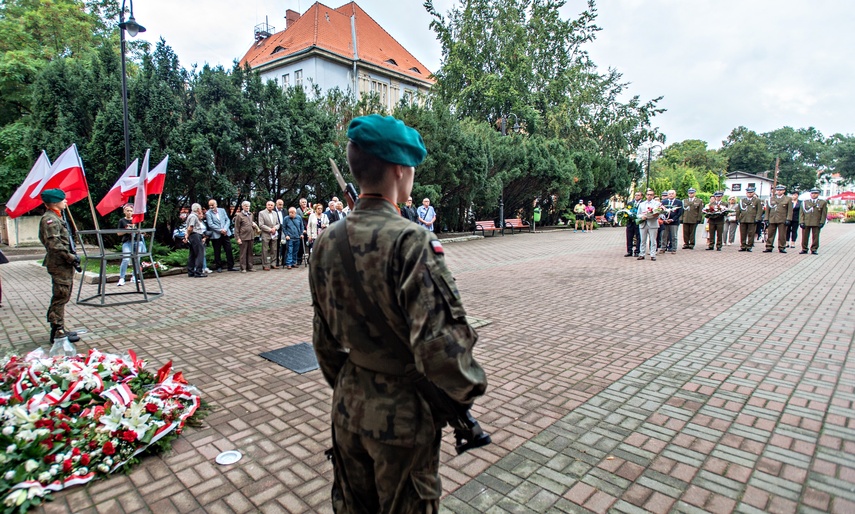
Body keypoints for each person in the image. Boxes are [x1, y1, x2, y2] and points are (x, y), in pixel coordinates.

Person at [309, 114, 487, 513]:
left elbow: (323, 340)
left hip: (348, 405)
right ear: (399, 171)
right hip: (402, 416)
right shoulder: (412, 240)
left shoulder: (326, 241)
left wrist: (356, 379)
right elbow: (441, 346)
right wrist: (467, 391)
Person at [38, 189, 81, 343]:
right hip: (59, 263)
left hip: (62, 263)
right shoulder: (50, 220)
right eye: (63, 200)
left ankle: (60, 327)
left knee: (64, 294)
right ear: (55, 202)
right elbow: (54, 244)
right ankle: (57, 330)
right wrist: (71, 257)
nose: (66, 202)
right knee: (61, 295)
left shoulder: (55, 217)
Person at [117, 204, 145, 286]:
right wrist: (126, 231)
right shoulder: (122, 221)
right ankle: (122, 278)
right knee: (126, 259)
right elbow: (118, 233)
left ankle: (134, 276)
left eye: (131, 211)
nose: (129, 212)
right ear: (124, 211)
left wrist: (137, 231)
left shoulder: (137, 220)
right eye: (127, 210)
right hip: (127, 242)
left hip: (137, 241)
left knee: (137, 259)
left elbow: (141, 231)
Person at [206, 199, 236, 272]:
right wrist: (220, 230)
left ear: (216, 204)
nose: (211, 207)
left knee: (228, 250)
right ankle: (219, 267)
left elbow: (227, 220)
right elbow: (210, 224)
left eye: (212, 205)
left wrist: (225, 229)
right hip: (216, 234)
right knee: (217, 251)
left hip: (225, 233)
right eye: (210, 205)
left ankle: (230, 266)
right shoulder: (208, 213)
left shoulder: (222, 210)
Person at [764, 184, 793, 253]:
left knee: (782, 235)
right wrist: (766, 219)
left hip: (782, 219)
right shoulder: (771, 198)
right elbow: (768, 210)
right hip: (772, 219)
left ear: (784, 191)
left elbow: (790, 210)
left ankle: (782, 247)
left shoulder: (788, 199)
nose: (779, 191)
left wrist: (788, 219)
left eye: (780, 190)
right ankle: (769, 246)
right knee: (770, 234)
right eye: (777, 190)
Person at [799, 188, 828, 255]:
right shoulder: (805, 202)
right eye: (812, 193)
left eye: (815, 193)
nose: (814, 195)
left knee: (815, 237)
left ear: (818, 194)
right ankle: (804, 249)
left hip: (816, 222)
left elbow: (824, 213)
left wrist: (822, 222)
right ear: (810, 194)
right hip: (806, 221)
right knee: (804, 236)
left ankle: (814, 249)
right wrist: (801, 222)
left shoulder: (822, 202)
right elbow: (801, 213)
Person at [183, 203, 207, 277]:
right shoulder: (193, 216)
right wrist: (187, 234)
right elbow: (191, 227)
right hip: (195, 235)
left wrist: (187, 235)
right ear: (197, 209)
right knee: (200, 253)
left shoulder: (191, 216)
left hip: (193, 236)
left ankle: (191, 271)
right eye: (200, 208)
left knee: (192, 254)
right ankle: (198, 272)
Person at [636, 189, 661, 261]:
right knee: (642, 240)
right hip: (643, 223)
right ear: (646, 195)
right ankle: (642, 254)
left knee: (653, 240)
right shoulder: (642, 204)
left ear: (653, 196)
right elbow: (638, 214)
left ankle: (653, 254)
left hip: (652, 223)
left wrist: (650, 216)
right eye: (648, 194)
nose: (649, 196)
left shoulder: (657, 203)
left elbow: (658, 214)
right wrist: (642, 217)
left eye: (651, 195)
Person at [737, 187, 763, 252]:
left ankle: (749, 246)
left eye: (751, 192)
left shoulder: (757, 200)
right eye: (748, 192)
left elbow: (759, 210)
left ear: (753, 193)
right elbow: (738, 210)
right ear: (746, 193)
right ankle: (743, 245)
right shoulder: (742, 200)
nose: (749, 193)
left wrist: (758, 218)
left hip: (752, 219)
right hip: (743, 219)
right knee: (742, 233)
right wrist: (737, 218)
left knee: (751, 233)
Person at [258, 200, 281, 270]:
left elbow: (278, 223)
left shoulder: (275, 213)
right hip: (266, 234)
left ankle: (273, 264)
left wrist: (275, 228)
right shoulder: (261, 213)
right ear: (266, 205)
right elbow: (261, 224)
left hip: (274, 234)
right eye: (269, 205)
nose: (270, 206)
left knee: (274, 249)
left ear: (273, 206)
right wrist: (270, 230)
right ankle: (265, 265)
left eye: (271, 205)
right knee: (265, 250)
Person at [234, 201, 255, 272]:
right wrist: (238, 238)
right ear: (242, 207)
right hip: (243, 237)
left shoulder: (251, 214)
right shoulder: (239, 215)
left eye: (248, 206)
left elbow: (251, 223)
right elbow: (236, 228)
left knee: (250, 252)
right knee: (243, 253)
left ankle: (250, 267)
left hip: (251, 236)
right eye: (246, 206)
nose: (247, 207)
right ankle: (243, 268)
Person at [624, 191, 642, 257]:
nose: (637, 196)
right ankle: (629, 251)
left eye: (638, 195)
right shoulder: (630, 203)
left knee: (638, 237)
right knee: (629, 237)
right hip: (630, 222)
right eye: (636, 195)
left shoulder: (642, 203)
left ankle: (637, 251)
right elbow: (626, 211)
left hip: (638, 222)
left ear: (641, 196)